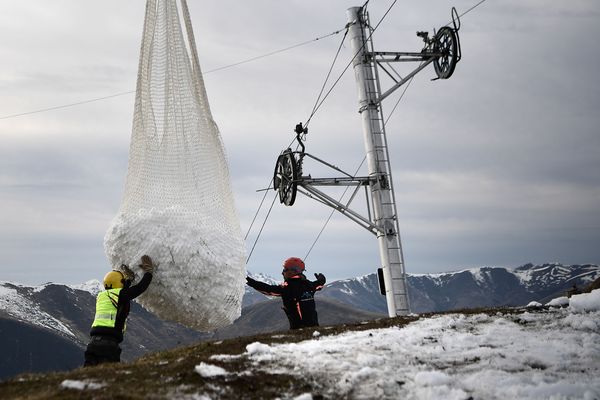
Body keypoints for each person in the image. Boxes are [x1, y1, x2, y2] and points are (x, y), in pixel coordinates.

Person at [83, 255, 155, 366]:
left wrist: (128, 281)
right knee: (109, 376)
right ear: (119, 283)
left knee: (88, 374)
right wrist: (149, 273)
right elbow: (140, 288)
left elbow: (121, 294)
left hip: (93, 343)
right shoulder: (119, 295)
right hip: (109, 344)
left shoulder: (101, 296)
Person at [246, 257, 326, 330]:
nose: (282, 273)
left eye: (285, 270)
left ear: (293, 271)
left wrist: (249, 281)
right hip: (315, 328)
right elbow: (319, 284)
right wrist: (322, 279)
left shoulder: (287, 288)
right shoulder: (308, 284)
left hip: (298, 330)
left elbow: (268, 290)